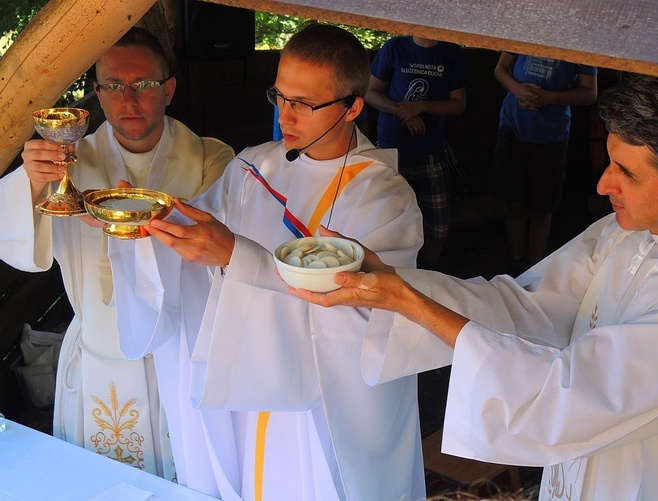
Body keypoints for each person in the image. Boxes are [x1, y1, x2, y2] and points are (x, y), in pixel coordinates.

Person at [290, 74, 658, 500]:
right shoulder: (624, 232)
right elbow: (526, 306)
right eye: (610, 161)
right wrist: (395, 287)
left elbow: (574, 394)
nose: (604, 182)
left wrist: (413, 304)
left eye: (627, 173)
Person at [107, 24, 425, 500]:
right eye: (278, 95)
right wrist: (147, 223)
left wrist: (236, 256)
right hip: (248, 380)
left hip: (322, 405)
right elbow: (201, 235)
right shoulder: (254, 166)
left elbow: (364, 310)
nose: (285, 114)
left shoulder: (383, 197)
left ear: (353, 106)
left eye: (304, 102)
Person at [0, 27, 234, 479]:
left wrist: (128, 224)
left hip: (178, 352)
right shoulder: (63, 160)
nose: (129, 100)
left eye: (143, 85)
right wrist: (28, 180)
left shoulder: (209, 158)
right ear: (98, 95)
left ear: (168, 89)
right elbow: (17, 238)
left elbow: (221, 246)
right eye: (113, 86)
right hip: (96, 351)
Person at [366, 35, 469, 268]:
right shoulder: (394, 47)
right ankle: (393, 270)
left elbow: (458, 104)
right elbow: (370, 92)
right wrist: (401, 111)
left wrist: (421, 106)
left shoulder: (451, 52)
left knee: (438, 224)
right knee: (387, 217)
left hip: (431, 149)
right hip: (391, 149)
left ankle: (429, 267)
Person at [491, 53, 597, 275]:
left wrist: (550, 98)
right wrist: (517, 89)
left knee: (542, 208)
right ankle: (515, 264)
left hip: (551, 136)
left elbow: (590, 93)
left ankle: (534, 269)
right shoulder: (524, 29)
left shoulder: (580, 41)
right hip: (512, 128)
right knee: (514, 204)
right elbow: (500, 69)